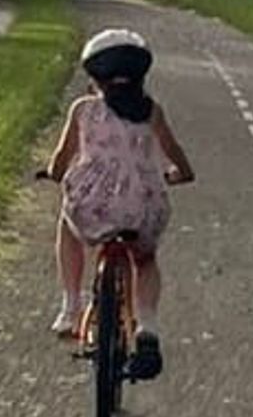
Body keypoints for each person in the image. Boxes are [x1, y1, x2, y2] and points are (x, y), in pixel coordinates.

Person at [39, 28, 194, 379]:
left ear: (95, 77)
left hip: (93, 204)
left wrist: (51, 172)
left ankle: (70, 305)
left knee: (68, 223)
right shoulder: (151, 112)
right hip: (142, 204)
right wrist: (179, 174)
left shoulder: (83, 110)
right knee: (145, 259)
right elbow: (177, 158)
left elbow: (62, 161)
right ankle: (148, 328)